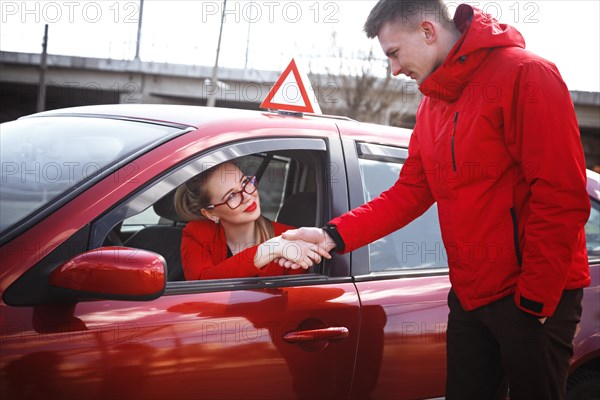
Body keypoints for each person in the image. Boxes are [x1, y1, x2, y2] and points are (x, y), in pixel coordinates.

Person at [279, 1, 591, 399]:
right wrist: (330, 236)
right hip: (470, 292)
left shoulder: (527, 74)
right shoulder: (433, 103)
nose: (393, 70)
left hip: (531, 296)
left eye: (393, 53)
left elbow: (561, 195)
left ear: (428, 31)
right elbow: (409, 192)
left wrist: (535, 299)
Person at [174, 161, 329, 280]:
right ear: (210, 213)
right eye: (232, 196)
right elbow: (201, 287)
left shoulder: (290, 237)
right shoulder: (197, 233)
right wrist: (270, 249)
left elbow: (295, 305)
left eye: (244, 183)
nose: (248, 196)